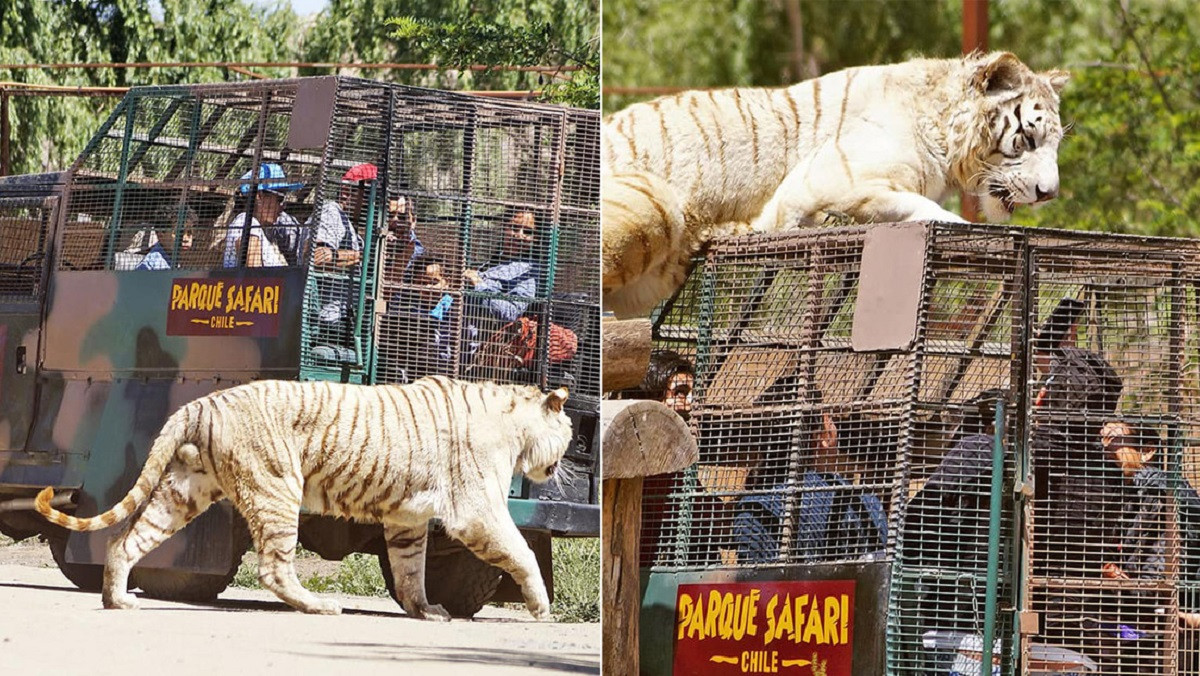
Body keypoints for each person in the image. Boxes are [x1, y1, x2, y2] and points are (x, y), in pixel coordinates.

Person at [308, 163, 373, 363]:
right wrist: (363, 256)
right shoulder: (331, 212)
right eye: (369, 196)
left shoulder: (353, 229)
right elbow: (318, 257)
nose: (372, 205)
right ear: (347, 191)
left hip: (347, 319)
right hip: (329, 320)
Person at [464, 208, 541, 324]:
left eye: (528, 232)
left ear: (535, 239)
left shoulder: (528, 271)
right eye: (514, 228)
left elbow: (511, 312)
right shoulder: (494, 261)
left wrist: (478, 284)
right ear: (504, 229)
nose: (519, 235)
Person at [222, 163, 303, 268]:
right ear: (259, 196)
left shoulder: (256, 228)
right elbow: (253, 274)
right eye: (279, 199)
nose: (282, 207)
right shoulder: (247, 222)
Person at [117, 209, 197, 270]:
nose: (185, 239)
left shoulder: (175, 260)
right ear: (160, 235)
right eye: (177, 233)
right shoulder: (152, 267)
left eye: (189, 233)